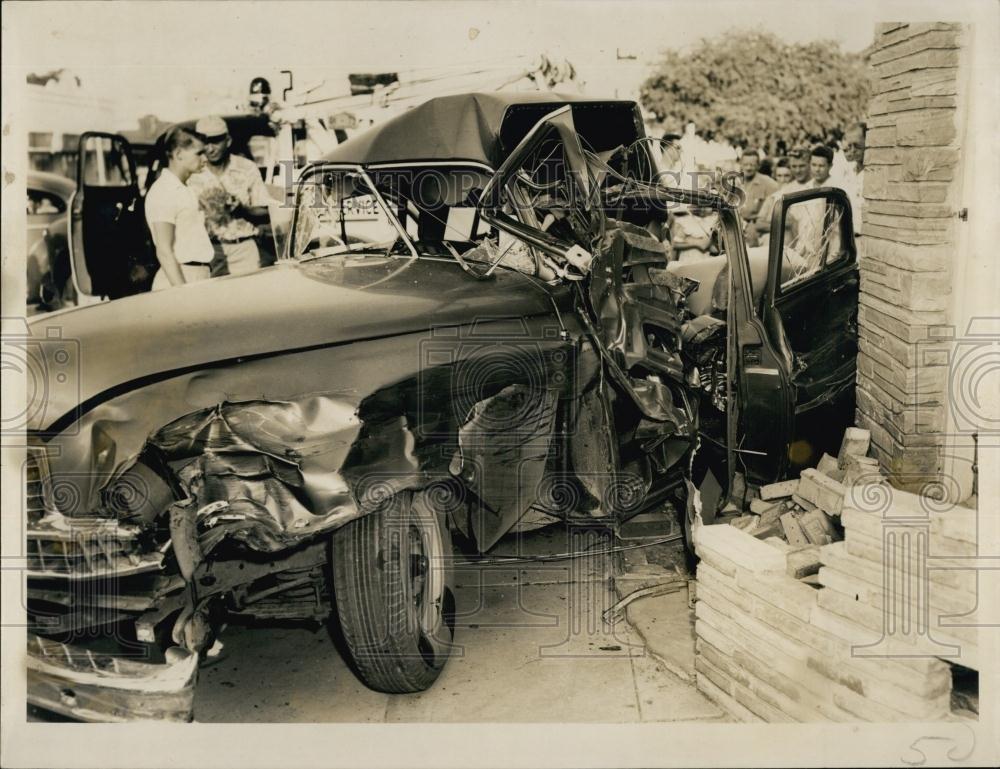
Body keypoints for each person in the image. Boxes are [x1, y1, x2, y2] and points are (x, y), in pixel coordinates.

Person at [187, 115, 274, 277]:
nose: (210, 148)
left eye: (216, 141)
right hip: (208, 252)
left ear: (228, 141)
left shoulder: (247, 168)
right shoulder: (191, 172)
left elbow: (266, 211)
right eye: (205, 142)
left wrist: (242, 209)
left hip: (244, 250)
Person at [145, 126, 213, 290]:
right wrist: (181, 293)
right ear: (178, 155)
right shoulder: (164, 191)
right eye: (199, 153)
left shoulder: (184, 188)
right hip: (180, 278)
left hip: (198, 275)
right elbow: (164, 250)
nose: (205, 159)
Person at [737, 149, 778, 247]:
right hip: (736, 227)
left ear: (758, 165)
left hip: (757, 230)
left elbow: (775, 209)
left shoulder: (769, 183)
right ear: (741, 165)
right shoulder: (734, 182)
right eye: (745, 164)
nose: (748, 168)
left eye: (752, 165)